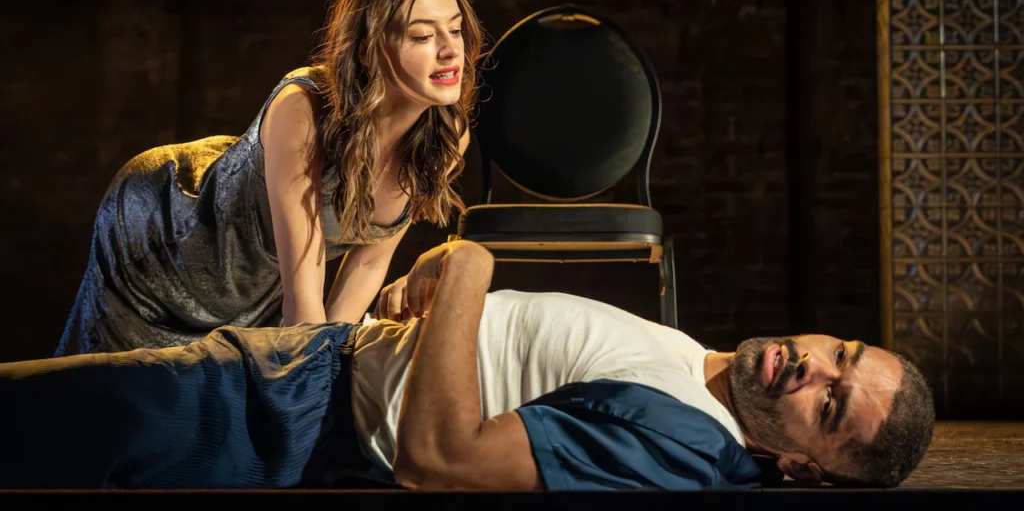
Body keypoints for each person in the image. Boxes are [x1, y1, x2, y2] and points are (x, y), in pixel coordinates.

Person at [3, 240, 934, 490]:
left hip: (280, 422)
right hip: (309, 366)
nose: (811, 367)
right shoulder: (695, 369)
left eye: (829, 403)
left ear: (802, 466)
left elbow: (438, 462)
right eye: (838, 352)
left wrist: (468, 272)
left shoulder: (687, 444)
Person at [54, 0, 482, 356]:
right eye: (423, 35)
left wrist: (329, 362)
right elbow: (303, 304)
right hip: (168, 242)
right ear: (370, 46)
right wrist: (312, 363)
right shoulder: (304, 108)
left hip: (260, 286)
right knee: (120, 396)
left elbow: (369, 263)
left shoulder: (446, 135)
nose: (450, 50)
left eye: (456, 29)